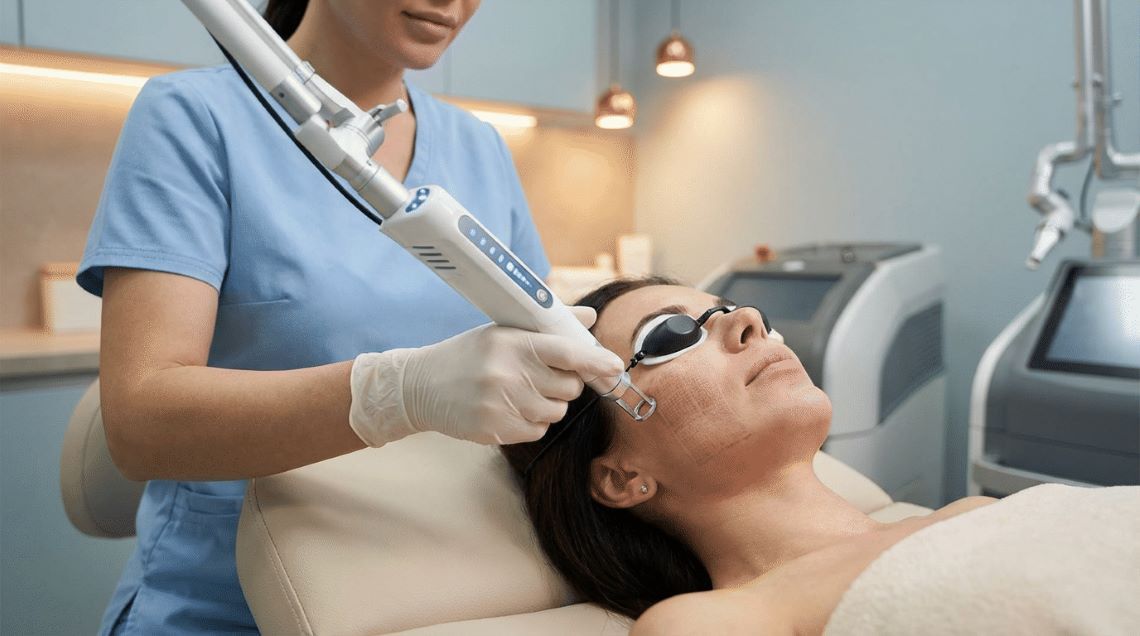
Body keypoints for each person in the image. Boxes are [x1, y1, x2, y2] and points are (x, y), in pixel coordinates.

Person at [78, 1, 622, 633]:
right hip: (228, 605)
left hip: (447, 595)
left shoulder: (480, 147)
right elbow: (140, 424)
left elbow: (545, 356)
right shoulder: (196, 116)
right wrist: (395, 394)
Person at [501, 277, 1005, 631]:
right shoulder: (712, 623)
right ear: (621, 476)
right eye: (670, 336)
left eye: (745, 312)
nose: (749, 321)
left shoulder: (976, 514)